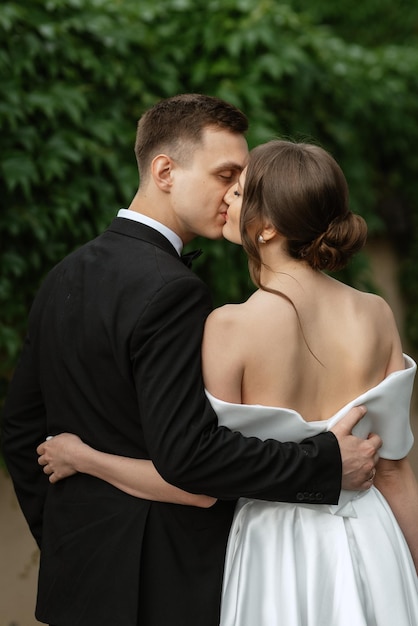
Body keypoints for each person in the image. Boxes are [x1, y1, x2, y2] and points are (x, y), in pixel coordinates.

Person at [2, 96, 380, 626]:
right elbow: (192, 457)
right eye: (225, 174)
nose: (233, 194)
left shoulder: (64, 273)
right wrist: (326, 462)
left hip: (77, 586)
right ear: (164, 171)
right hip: (163, 584)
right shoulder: (173, 291)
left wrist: (72, 534)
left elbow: (21, 432)